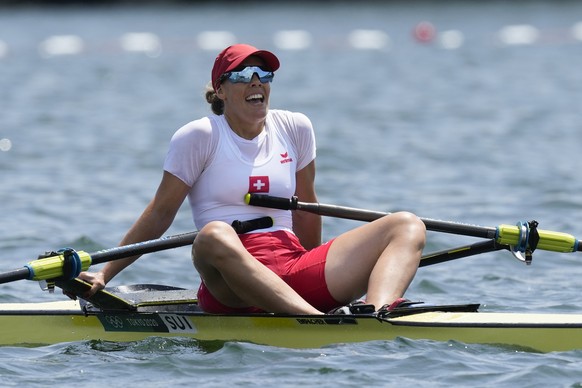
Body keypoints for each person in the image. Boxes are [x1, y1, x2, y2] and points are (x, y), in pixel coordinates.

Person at [76, 43, 426, 315]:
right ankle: (316, 321)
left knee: (406, 225)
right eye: (242, 75)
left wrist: (310, 270)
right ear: (221, 90)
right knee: (212, 235)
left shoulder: (295, 127)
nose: (256, 80)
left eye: (264, 74)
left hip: (291, 265)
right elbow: (159, 214)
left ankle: (375, 314)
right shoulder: (199, 136)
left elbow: (307, 208)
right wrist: (105, 274)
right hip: (230, 282)